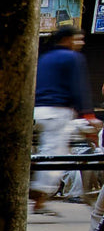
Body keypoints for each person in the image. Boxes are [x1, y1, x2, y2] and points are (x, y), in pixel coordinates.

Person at [30, 27, 101, 214]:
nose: (81, 43)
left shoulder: (44, 58)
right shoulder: (73, 58)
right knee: (54, 153)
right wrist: (89, 116)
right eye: (78, 39)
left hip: (37, 112)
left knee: (50, 149)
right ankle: (39, 197)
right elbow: (80, 89)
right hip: (57, 113)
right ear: (68, 40)